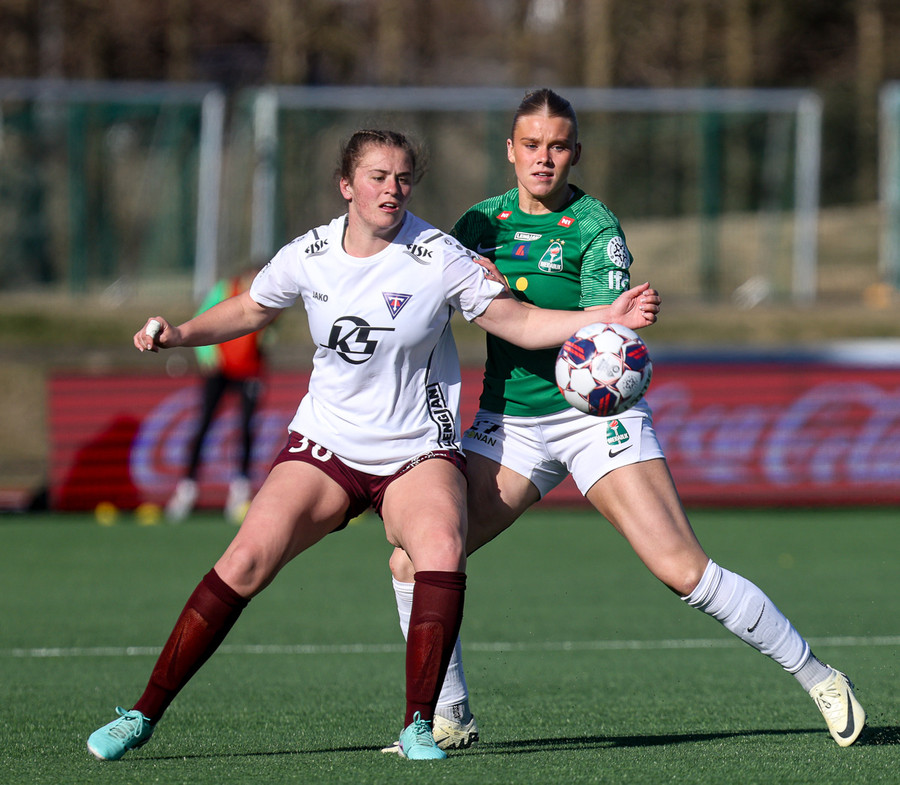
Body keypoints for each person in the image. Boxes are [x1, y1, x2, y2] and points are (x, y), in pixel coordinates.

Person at [86, 128, 659, 763]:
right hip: (326, 445)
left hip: (418, 450)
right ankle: (141, 714)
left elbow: (519, 322)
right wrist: (178, 334)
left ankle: (421, 724)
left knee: (440, 548)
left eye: (403, 178)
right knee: (244, 560)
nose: (393, 189)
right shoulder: (309, 253)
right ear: (347, 185)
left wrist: (605, 318)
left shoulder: (439, 255)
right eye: (378, 177)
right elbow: (250, 310)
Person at [383, 89, 866, 752]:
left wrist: (581, 313)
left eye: (557, 146)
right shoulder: (478, 223)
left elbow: (603, 342)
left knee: (682, 569)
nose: (544, 158)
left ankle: (820, 677)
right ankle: (450, 713)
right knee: (413, 559)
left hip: (594, 419)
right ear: (510, 150)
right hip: (509, 424)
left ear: (575, 153)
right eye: (532, 145)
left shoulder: (595, 227)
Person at [166, 266, 269, 524]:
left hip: (249, 369)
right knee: (204, 424)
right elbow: (204, 317)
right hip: (219, 369)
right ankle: (187, 488)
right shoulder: (224, 290)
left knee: (246, 428)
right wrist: (208, 357)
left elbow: (267, 332)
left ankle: (240, 490)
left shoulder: (270, 293)